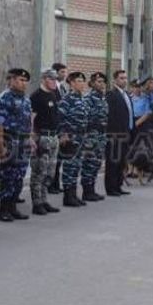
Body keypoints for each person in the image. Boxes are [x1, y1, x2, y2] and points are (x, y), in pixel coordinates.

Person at [0, 68, 33, 222]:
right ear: (11, 80)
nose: (23, 83)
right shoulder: (4, 98)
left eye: (25, 81)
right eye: (20, 80)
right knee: (8, 176)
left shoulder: (26, 99)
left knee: (19, 176)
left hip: (23, 142)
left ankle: (13, 207)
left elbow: (28, 120)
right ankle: (4, 209)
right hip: (10, 142)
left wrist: (30, 138)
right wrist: (0, 146)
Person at [28, 69, 61, 215]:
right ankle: (37, 203)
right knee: (39, 172)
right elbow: (31, 118)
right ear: (44, 79)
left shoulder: (53, 95)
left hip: (54, 137)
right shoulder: (36, 96)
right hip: (42, 138)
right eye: (51, 79)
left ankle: (44, 199)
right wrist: (32, 137)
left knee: (50, 172)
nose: (54, 82)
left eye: (56, 79)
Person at [59, 71, 89, 207]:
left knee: (76, 166)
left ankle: (73, 194)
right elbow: (60, 119)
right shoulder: (67, 99)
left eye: (83, 81)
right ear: (71, 83)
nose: (81, 84)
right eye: (78, 81)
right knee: (69, 167)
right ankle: (67, 197)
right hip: (70, 137)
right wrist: (63, 135)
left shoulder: (82, 98)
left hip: (81, 137)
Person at [105, 70, 133, 196]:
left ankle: (118, 185)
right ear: (115, 80)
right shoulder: (111, 95)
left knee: (121, 160)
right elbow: (110, 116)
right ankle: (111, 188)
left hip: (126, 132)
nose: (124, 80)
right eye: (121, 78)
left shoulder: (125, 94)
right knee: (113, 161)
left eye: (125, 78)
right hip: (115, 134)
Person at [82, 72, 108, 201]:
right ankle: (86, 191)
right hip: (91, 135)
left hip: (101, 135)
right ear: (92, 83)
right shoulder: (88, 98)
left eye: (103, 81)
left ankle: (92, 189)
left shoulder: (102, 98)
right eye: (98, 81)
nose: (102, 84)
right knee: (89, 163)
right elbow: (85, 118)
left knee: (97, 163)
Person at [48, 62, 68, 194]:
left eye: (65, 72)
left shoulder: (63, 88)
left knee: (59, 159)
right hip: (53, 129)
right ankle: (50, 184)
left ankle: (55, 184)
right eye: (62, 72)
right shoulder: (52, 89)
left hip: (61, 129)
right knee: (51, 160)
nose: (64, 75)